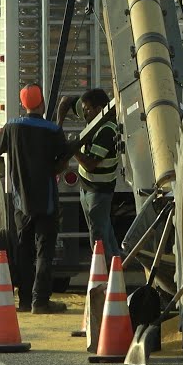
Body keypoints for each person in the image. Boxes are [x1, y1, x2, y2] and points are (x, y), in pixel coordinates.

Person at [0, 83, 70, 314]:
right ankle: (41, 301)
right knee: (44, 251)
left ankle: (25, 300)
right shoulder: (51, 130)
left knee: (23, 251)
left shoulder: (12, 126)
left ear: (23, 104)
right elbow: (62, 158)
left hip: (20, 202)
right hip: (45, 201)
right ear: (42, 103)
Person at [62, 88, 121, 258]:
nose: (84, 113)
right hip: (88, 188)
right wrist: (58, 123)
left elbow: (90, 165)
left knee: (98, 236)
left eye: (88, 109)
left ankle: (104, 273)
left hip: (99, 191)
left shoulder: (106, 131)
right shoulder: (95, 120)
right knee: (105, 231)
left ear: (99, 109)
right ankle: (114, 268)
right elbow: (66, 100)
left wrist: (73, 149)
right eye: (84, 109)